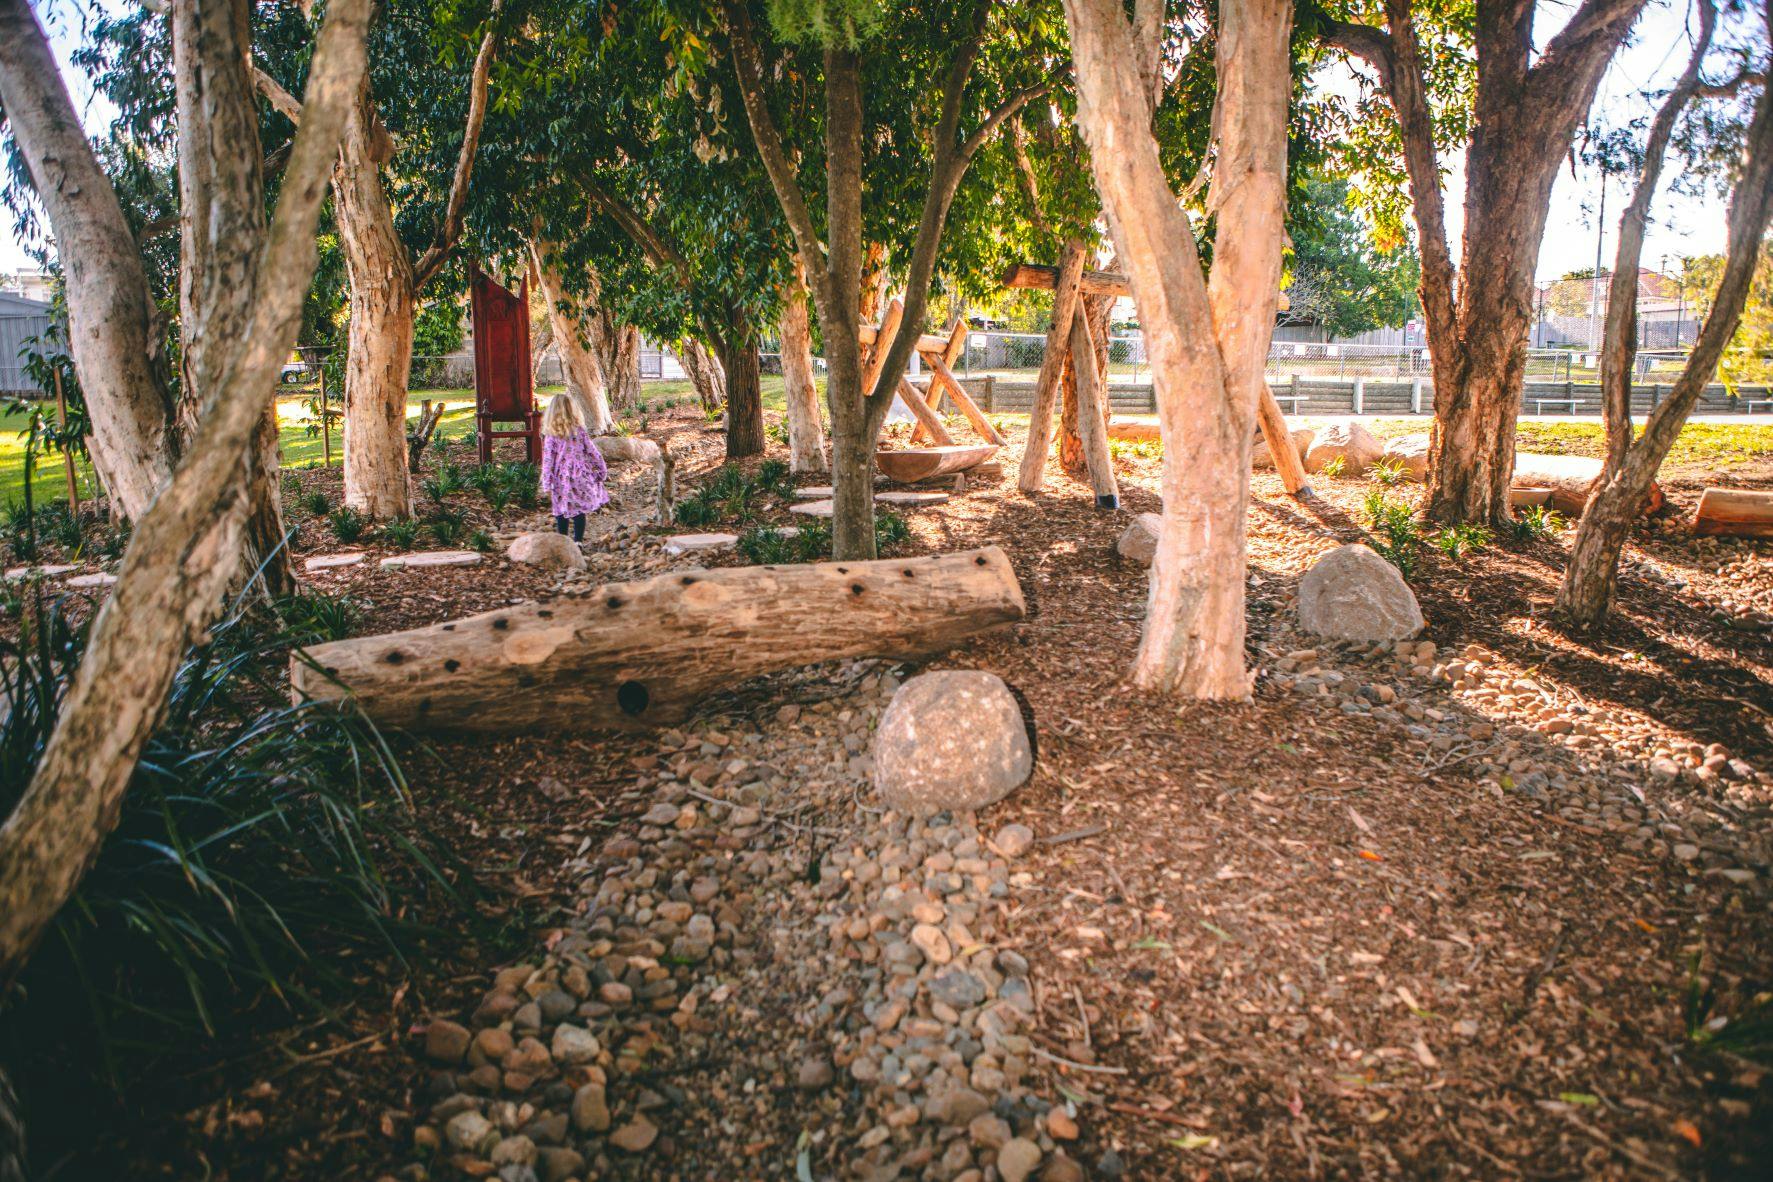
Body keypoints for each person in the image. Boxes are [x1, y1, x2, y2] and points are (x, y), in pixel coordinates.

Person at [539, 393, 608, 542]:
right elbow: (592, 451)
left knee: (560, 509)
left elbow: (548, 461)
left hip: (560, 479)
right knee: (579, 509)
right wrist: (601, 469)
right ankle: (578, 542)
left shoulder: (551, 435)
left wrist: (546, 481)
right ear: (572, 410)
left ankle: (563, 541)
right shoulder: (579, 431)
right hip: (580, 475)